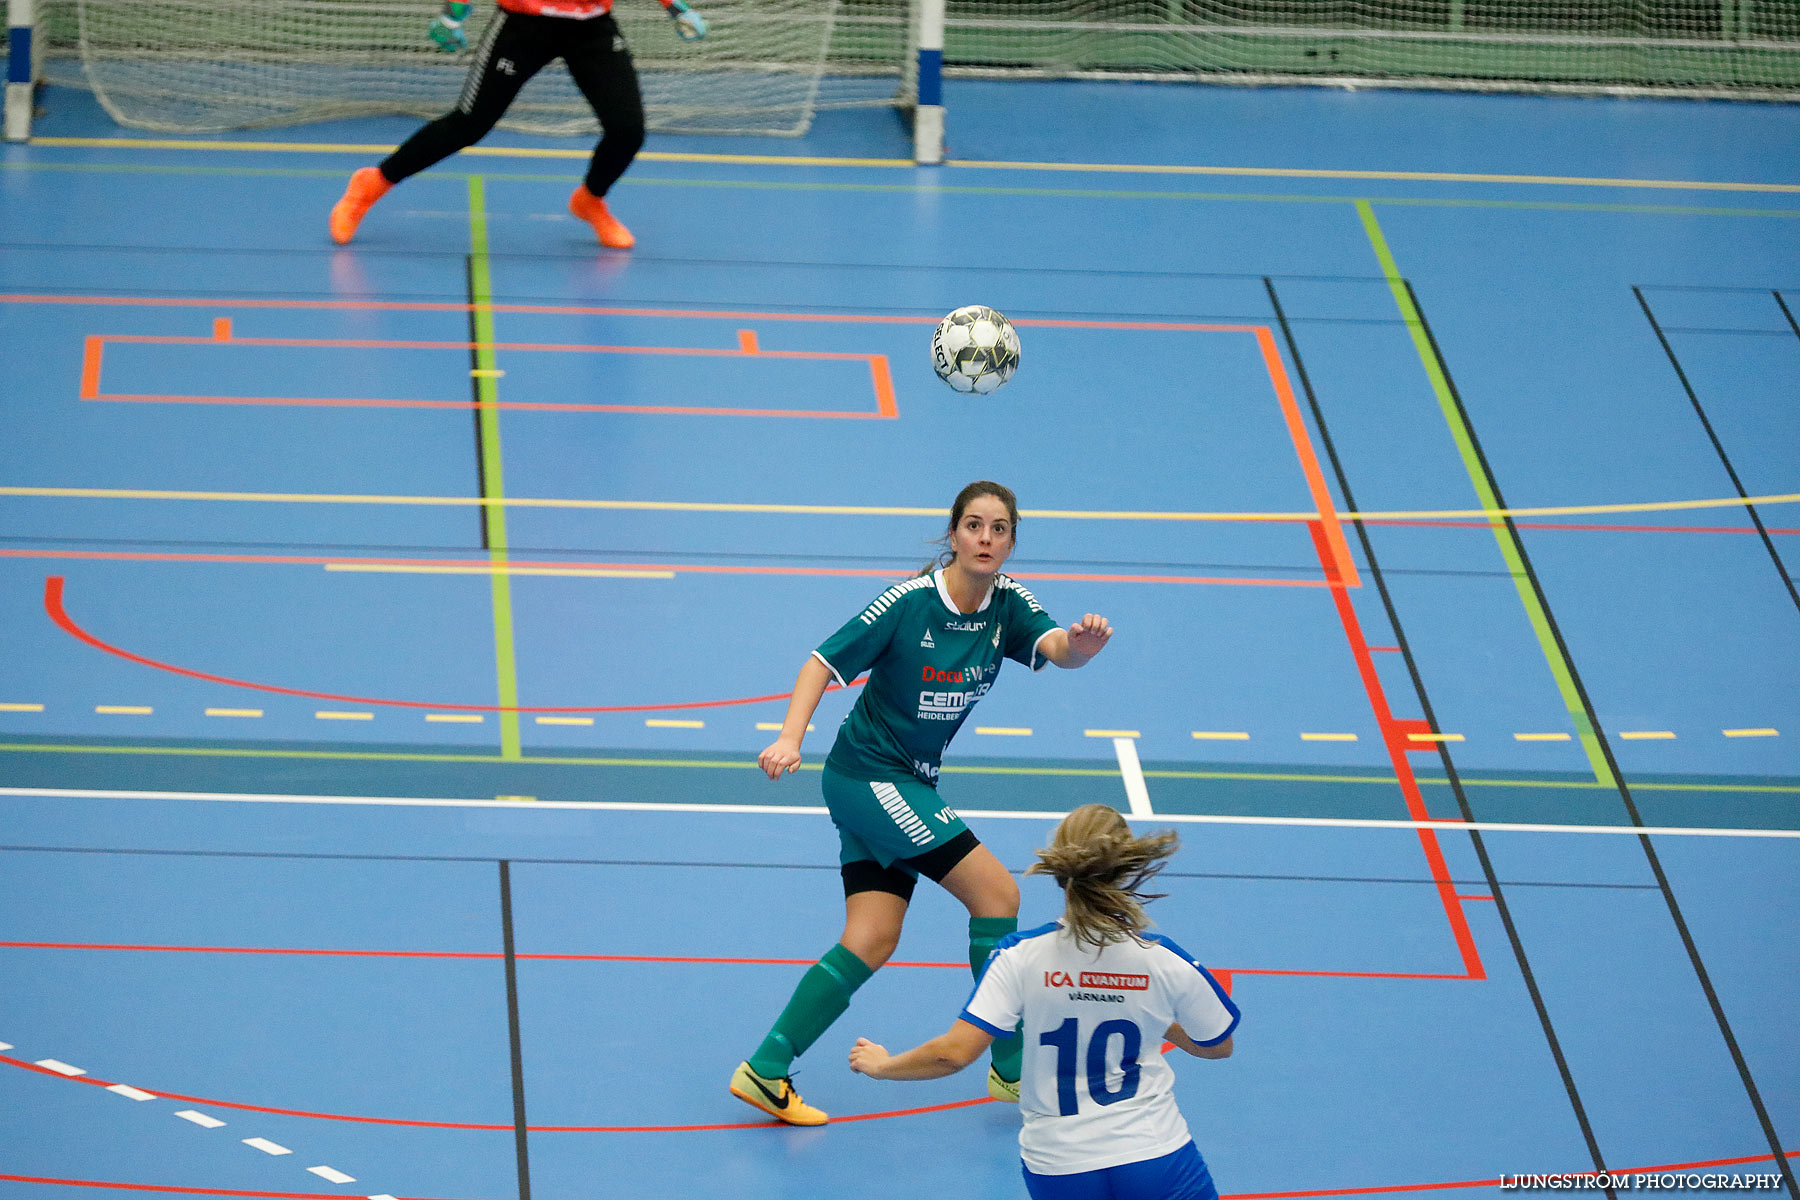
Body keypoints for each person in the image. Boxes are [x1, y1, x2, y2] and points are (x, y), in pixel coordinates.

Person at [729, 480, 1115, 1127]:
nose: (985, 538)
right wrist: (790, 737)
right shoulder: (909, 604)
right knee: (998, 897)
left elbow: (1054, 649)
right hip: (868, 776)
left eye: (998, 528)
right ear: (953, 534)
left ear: (1011, 541)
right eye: (973, 525)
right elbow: (822, 661)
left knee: (872, 938)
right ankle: (1012, 1067)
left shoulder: (1009, 606)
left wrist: (1081, 647)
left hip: (905, 782)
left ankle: (766, 1068)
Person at [850, 804, 1239, 1200]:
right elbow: (1218, 1045)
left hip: (1058, 1163)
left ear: (1061, 871)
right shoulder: (1162, 959)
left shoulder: (1019, 955)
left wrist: (882, 1066)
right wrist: (1153, 1016)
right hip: (1155, 1153)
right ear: (1124, 867)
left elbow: (953, 1054)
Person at [328, 0, 706, 250]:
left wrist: (676, 8)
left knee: (627, 130)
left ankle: (590, 201)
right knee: (470, 123)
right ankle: (371, 185)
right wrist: (453, 14)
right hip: (523, 26)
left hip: (591, 27)